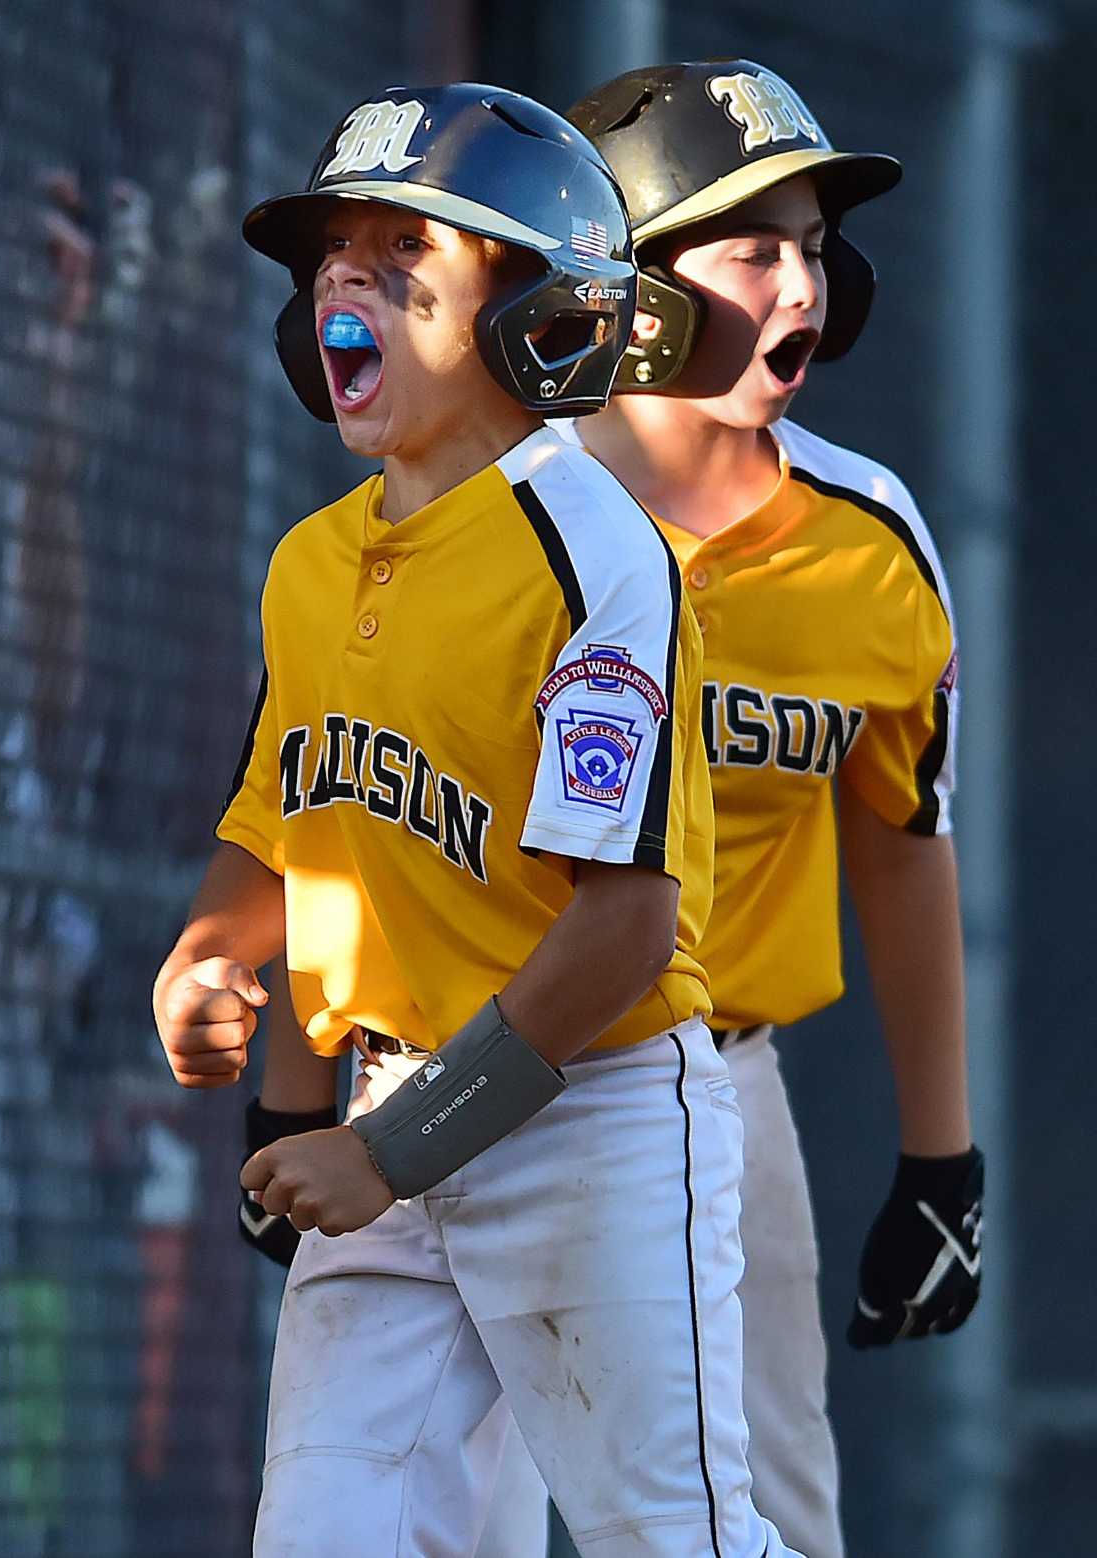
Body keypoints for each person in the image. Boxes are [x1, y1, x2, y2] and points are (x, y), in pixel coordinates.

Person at [155, 82, 797, 1556]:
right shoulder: (312, 563)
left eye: (400, 256)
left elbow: (628, 923)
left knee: (667, 1535)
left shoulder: (593, 557)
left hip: (593, 1116)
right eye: (331, 254)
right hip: (392, 1109)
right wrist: (206, 949)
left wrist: (392, 1148)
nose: (340, 281)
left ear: (539, 322)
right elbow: (278, 817)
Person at [486, 61, 981, 1558]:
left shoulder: (869, 541)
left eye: (816, 247)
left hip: (719, 1082)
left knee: (761, 1518)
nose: (801, 285)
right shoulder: (492, 514)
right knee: (440, 1512)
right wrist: (309, 1083)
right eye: (753, 247)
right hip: (476, 1063)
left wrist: (940, 1156)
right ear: (632, 285)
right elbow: (359, 804)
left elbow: (905, 851)